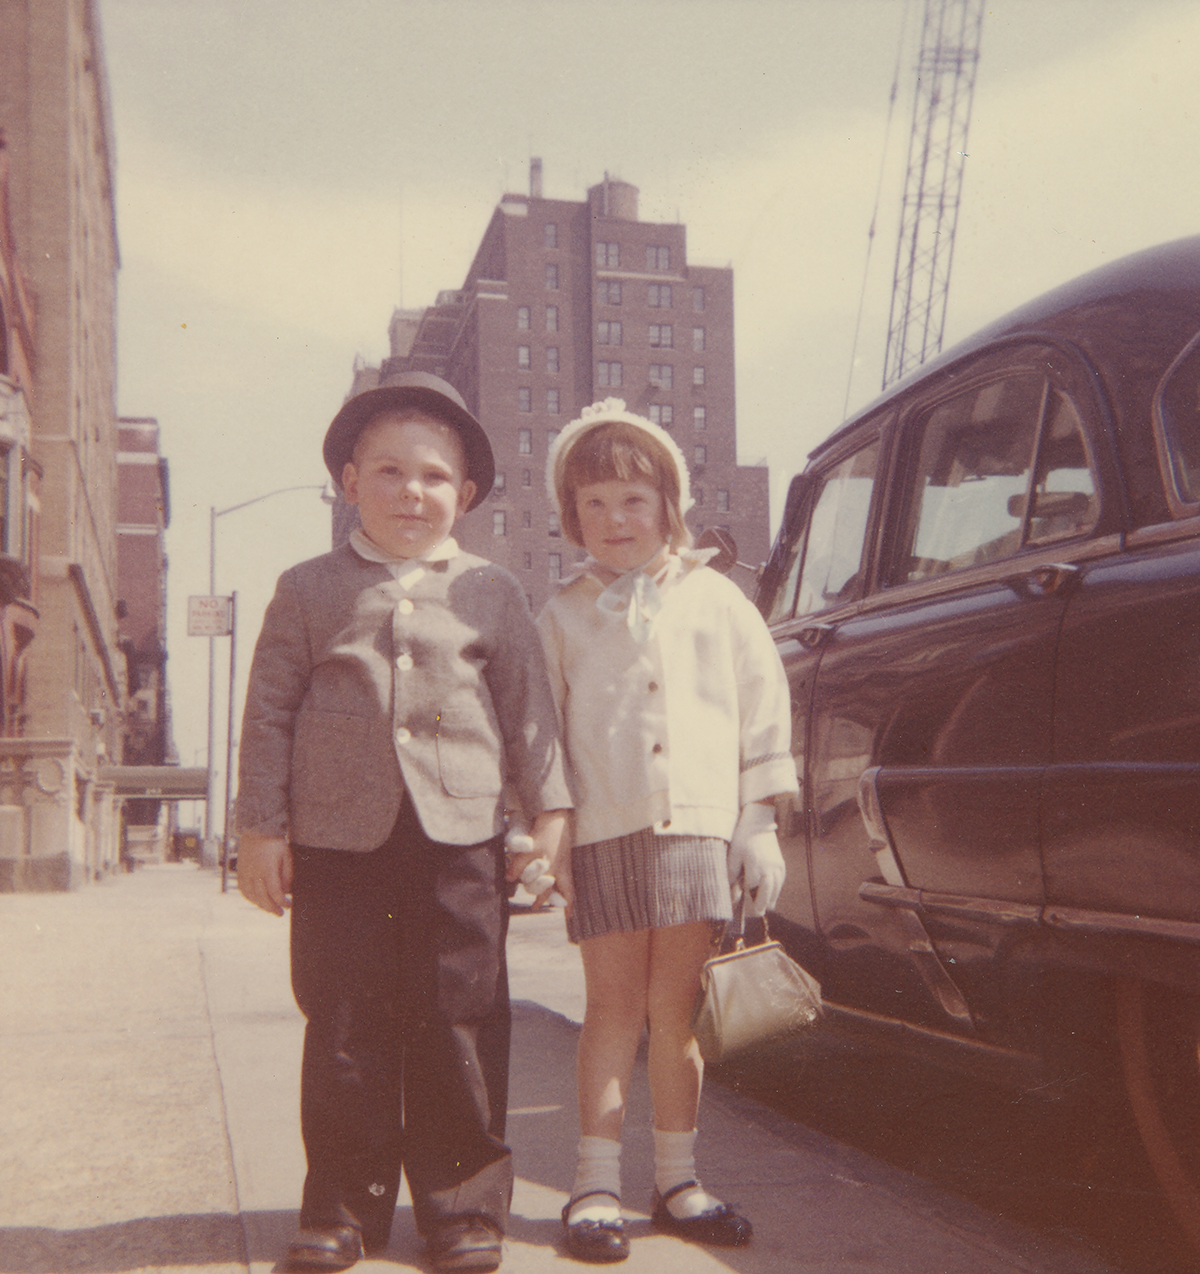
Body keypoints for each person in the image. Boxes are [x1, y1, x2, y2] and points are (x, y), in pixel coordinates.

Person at [235, 371, 572, 1274]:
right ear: (350, 482)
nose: (411, 492)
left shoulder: (493, 591)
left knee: (460, 1015)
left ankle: (462, 1209)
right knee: (344, 1018)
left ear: (466, 493)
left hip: (461, 837)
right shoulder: (307, 588)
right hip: (338, 840)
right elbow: (268, 713)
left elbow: (529, 712)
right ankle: (342, 1207)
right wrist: (261, 829)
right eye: (389, 471)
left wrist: (550, 814)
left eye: (433, 477)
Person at [535, 399, 798, 1263]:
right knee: (612, 1008)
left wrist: (757, 821)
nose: (615, 518)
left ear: (669, 506)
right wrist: (551, 830)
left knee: (673, 1014)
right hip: (605, 835)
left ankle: (679, 1181)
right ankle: (594, 1186)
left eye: (633, 500)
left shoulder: (717, 600)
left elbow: (763, 707)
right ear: (572, 514)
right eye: (594, 503)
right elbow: (542, 733)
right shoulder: (561, 616)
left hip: (696, 834)